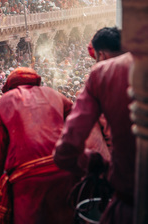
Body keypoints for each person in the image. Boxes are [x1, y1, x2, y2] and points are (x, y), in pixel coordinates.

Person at [0, 67, 77, 224]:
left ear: (9, 87)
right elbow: (80, 124)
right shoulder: (54, 94)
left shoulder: (5, 100)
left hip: (27, 178)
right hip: (65, 168)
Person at [53, 52, 135, 224]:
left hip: (126, 199)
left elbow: (66, 151)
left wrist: (97, 163)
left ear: (102, 55)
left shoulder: (105, 74)